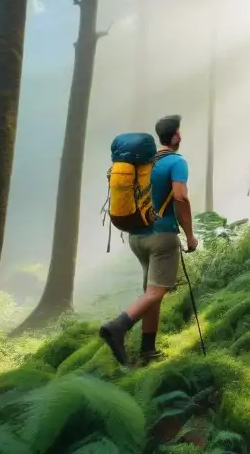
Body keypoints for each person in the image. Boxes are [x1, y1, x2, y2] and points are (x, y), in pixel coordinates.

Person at [99, 115, 197, 366]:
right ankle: (117, 327)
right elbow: (181, 198)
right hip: (162, 237)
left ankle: (148, 349)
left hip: (137, 237)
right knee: (156, 292)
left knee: (151, 294)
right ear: (176, 136)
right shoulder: (176, 162)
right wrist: (190, 236)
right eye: (179, 132)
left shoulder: (142, 164)